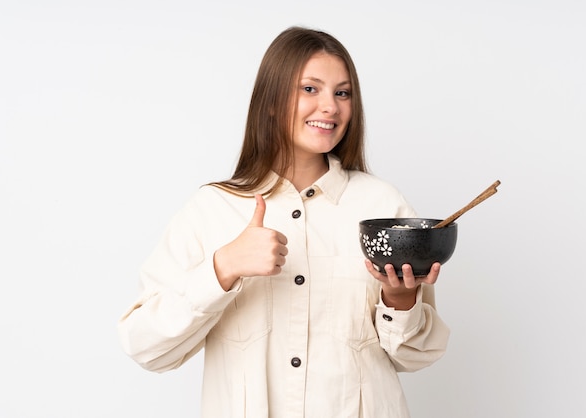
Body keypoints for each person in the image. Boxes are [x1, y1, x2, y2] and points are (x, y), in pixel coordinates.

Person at [118, 26, 450, 418]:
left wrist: (400, 299)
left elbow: (415, 356)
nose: (330, 106)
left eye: (342, 93)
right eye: (310, 89)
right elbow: (146, 347)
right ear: (272, 100)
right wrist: (223, 267)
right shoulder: (213, 208)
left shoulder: (380, 205)